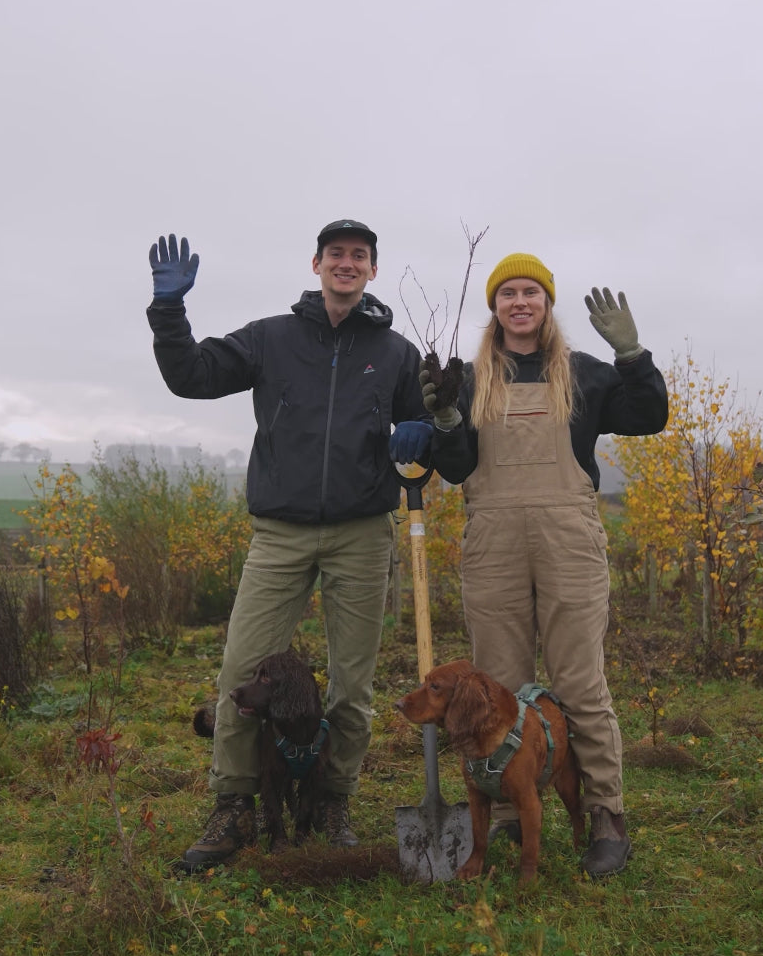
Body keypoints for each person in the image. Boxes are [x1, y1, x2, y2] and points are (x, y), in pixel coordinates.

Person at [147, 221, 432, 869]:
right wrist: (169, 310)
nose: (347, 263)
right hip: (280, 530)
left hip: (363, 530)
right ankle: (234, 805)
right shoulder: (271, 338)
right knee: (240, 673)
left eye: (360, 256)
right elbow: (190, 376)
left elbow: (423, 430)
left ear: (372, 271)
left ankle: (332, 800)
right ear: (316, 264)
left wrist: (420, 431)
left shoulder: (394, 353)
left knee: (352, 686)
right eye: (337, 254)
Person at [414, 252, 668, 877]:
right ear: (494, 307)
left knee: (580, 681)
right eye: (508, 294)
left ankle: (606, 814)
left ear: (547, 305)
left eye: (531, 292)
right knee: (497, 685)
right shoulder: (470, 379)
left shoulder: (583, 374)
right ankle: (504, 816)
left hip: (567, 537)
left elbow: (650, 417)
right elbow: (455, 468)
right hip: (493, 537)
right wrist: (446, 416)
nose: (520, 303)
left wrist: (632, 356)